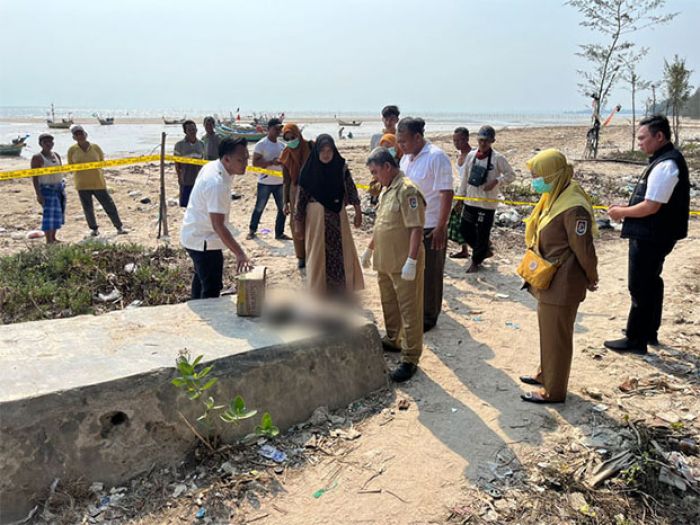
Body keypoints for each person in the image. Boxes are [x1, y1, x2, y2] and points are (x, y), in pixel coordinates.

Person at [604, 115, 690, 354]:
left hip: (652, 235)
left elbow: (651, 206)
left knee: (640, 286)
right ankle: (648, 331)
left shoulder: (666, 165)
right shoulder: (663, 160)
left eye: (642, 138)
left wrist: (622, 212)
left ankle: (636, 339)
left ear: (659, 136)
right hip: (656, 233)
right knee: (652, 282)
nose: (639, 142)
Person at [519, 149, 598, 404]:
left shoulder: (573, 207)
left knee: (558, 338)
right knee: (549, 333)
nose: (534, 181)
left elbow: (584, 249)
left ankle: (553, 391)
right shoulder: (555, 196)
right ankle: (546, 374)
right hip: (549, 280)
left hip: (563, 283)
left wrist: (592, 275)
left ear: (553, 175)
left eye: (538, 176)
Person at [361, 148, 426, 382]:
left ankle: (410, 358)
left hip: (403, 263)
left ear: (388, 167)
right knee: (389, 304)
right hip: (385, 261)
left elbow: (416, 227)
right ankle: (392, 339)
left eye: (376, 172)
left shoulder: (407, 190)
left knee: (409, 311)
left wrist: (412, 260)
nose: (374, 177)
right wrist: (370, 249)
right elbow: (382, 224)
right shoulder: (387, 189)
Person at [397, 117, 453, 332]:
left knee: (430, 273)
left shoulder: (436, 157)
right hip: (409, 225)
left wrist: (441, 226)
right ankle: (414, 310)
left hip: (431, 225)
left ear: (418, 137)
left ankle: (429, 317)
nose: (401, 146)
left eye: (404, 141)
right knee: (411, 270)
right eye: (399, 142)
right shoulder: (406, 159)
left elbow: (446, 193)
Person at [180, 138, 252, 299]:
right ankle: (207, 319)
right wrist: (240, 254)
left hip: (195, 233)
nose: (246, 163)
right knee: (212, 286)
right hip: (203, 240)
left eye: (247, 158)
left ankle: (197, 305)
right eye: (241, 160)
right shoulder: (216, 183)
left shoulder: (215, 166)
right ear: (226, 159)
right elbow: (218, 225)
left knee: (201, 278)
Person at [294, 134, 364, 297]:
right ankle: (320, 291)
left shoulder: (340, 167)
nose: (326, 154)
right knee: (318, 253)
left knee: (342, 253)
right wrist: (298, 222)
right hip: (316, 218)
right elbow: (301, 198)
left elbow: (351, 188)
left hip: (338, 216)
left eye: (329, 150)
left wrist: (358, 211)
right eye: (323, 151)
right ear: (317, 151)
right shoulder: (309, 170)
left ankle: (342, 290)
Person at [456, 125, 516, 273]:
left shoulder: (498, 158)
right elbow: (464, 179)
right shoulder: (471, 156)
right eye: (481, 140)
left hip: (487, 204)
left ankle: (476, 261)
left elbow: (511, 175)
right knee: (464, 229)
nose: (483, 144)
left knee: (483, 233)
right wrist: (459, 198)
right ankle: (483, 250)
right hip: (471, 200)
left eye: (486, 141)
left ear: (492, 141)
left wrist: (497, 181)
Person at [67, 125, 127, 236]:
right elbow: (70, 167)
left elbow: (102, 162)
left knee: (109, 205)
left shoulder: (95, 147)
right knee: (88, 208)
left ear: (86, 134)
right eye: (77, 134)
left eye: (81, 133)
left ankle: (119, 227)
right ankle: (94, 229)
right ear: (74, 137)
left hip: (98, 182)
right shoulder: (72, 150)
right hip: (82, 184)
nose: (80, 136)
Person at [247, 118, 290, 241]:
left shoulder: (282, 145)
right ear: (268, 129)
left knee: (282, 209)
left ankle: (279, 233)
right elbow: (255, 162)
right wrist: (271, 162)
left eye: (280, 128)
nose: (278, 131)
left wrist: (283, 163)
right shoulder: (261, 144)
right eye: (276, 128)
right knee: (259, 207)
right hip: (265, 182)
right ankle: (252, 230)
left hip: (280, 182)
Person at [279, 123, 313, 269]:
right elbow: (286, 180)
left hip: (313, 189)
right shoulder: (286, 155)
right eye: (288, 139)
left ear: (298, 134)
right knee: (296, 222)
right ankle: (301, 256)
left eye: (293, 137)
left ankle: (313, 253)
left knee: (312, 221)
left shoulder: (311, 147)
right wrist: (285, 202)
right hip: (295, 191)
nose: (291, 140)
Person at [31, 133, 66, 244]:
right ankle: (49, 240)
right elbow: (35, 177)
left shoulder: (56, 155)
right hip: (46, 189)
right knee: (49, 216)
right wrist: (38, 194)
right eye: (45, 142)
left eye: (50, 142)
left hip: (58, 188)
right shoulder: (37, 158)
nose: (48, 144)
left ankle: (54, 237)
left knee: (58, 214)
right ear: (40, 144)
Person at [449, 127, 472, 259]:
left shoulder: (472, 155)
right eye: (455, 140)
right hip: (460, 191)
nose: (457, 143)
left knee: (468, 223)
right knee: (458, 221)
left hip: (470, 194)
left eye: (460, 140)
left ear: (467, 139)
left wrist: (463, 198)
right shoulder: (460, 155)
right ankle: (464, 249)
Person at [174, 120, 206, 207]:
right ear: (185, 132)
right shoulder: (179, 145)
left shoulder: (201, 144)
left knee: (199, 205)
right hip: (186, 180)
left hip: (199, 180)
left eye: (194, 129)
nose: (192, 131)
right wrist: (179, 177)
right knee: (186, 206)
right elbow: (177, 163)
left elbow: (203, 162)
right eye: (189, 130)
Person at [368, 133, 403, 202]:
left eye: (389, 147)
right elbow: (373, 187)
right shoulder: (380, 164)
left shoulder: (403, 161)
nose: (387, 150)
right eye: (384, 148)